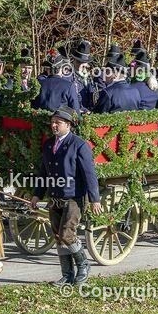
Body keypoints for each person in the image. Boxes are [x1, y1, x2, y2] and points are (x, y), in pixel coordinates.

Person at [30, 106, 102, 286]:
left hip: (73, 198)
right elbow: (43, 172)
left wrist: (95, 199)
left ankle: (83, 266)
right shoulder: (48, 144)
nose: (54, 125)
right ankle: (67, 274)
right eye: (52, 122)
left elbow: (89, 174)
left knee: (67, 234)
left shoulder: (79, 145)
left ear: (68, 125)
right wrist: (37, 195)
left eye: (58, 123)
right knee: (58, 236)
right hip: (54, 197)